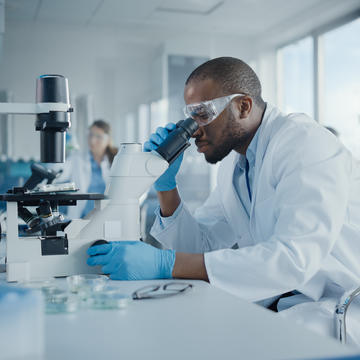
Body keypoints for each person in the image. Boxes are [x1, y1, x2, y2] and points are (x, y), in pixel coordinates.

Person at [87, 57, 360, 343]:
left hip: (338, 309)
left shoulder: (304, 144)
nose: (194, 130)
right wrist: (166, 185)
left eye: (203, 114)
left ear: (243, 106)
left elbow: (292, 260)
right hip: (283, 302)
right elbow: (201, 248)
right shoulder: (235, 165)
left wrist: (165, 263)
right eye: (190, 117)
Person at [57, 119, 117, 218]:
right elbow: (58, 175)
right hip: (83, 217)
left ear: (108, 139)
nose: (92, 140)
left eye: (98, 136)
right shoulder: (77, 158)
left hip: (107, 216)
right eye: (90, 135)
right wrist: (60, 148)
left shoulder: (115, 160)